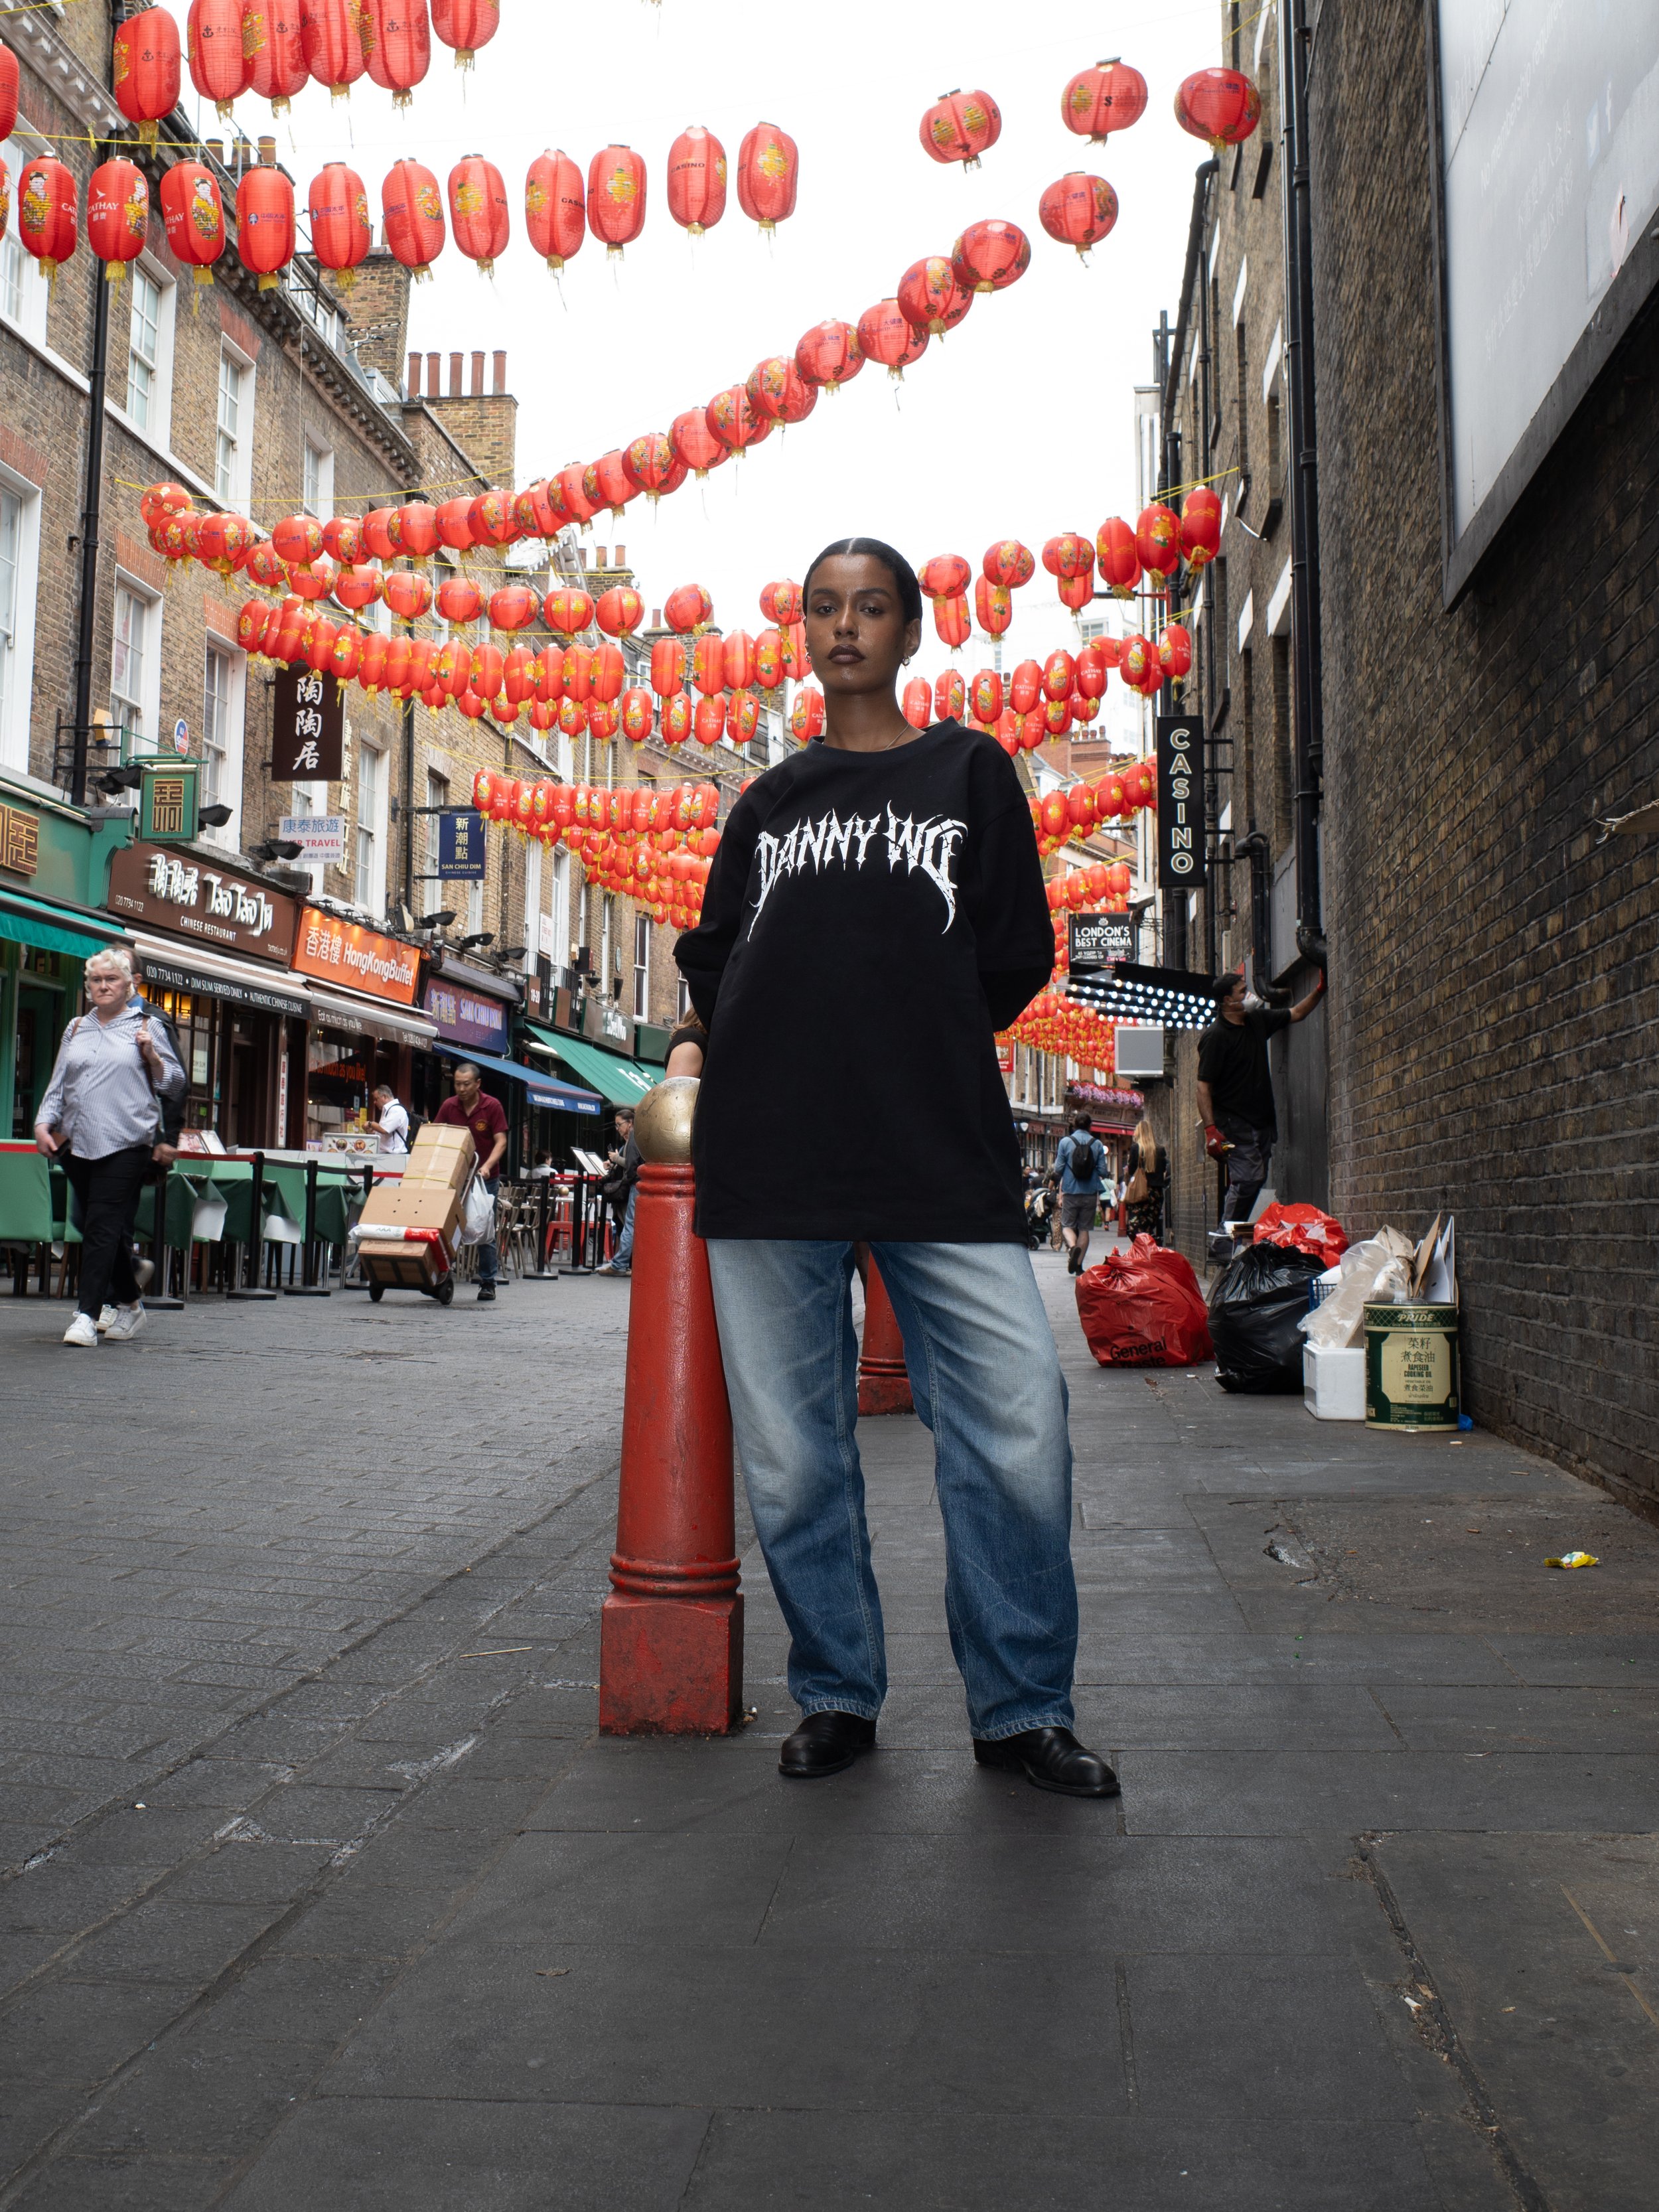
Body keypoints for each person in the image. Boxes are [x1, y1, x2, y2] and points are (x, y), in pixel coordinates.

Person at [676, 536, 1118, 1801]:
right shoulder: (766, 803)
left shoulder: (970, 767)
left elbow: (1012, 955)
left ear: (912, 632)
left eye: (872, 606)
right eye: (824, 607)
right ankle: (837, 1689)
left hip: (938, 1148)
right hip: (770, 1151)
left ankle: (1022, 1708)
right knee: (794, 1450)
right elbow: (716, 959)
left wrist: (906, 1024)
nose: (846, 625)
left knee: (1018, 1426)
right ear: (803, 633)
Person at [34, 946, 185, 1347]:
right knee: (101, 1227)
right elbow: (59, 1082)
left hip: (126, 1144)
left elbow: (174, 1085)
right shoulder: (76, 1028)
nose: (103, 986)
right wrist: (43, 1122)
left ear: (129, 984)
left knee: (100, 1226)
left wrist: (152, 1058)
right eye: (96, 981)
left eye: (111, 979)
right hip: (79, 1143)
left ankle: (86, 1315)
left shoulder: (147, 1025)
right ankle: (133, 1304)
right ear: (88, 987)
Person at [1196, 970, 1327, 1238]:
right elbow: (1203, 1087)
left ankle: (1233, 1233)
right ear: (1226, 1001)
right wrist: (1211, 1130)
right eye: (1242, 992)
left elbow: (1296, 1014)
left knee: (1256, 1176)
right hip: (1232, 1125)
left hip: (1263, 1121)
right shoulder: (1216, 1037)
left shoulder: (1257, 1020)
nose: (1250, 996)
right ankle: (1225, 1236)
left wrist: (1319, 990)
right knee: (1248, 1178)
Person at [435, 1063, 508, 1301]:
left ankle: (488, 1282)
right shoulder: (449, 1106)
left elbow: (501, 1141)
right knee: (447, 1227)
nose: (461, 1088)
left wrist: (486, 1166)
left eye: (466, 1084)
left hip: (484, 1179)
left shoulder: (492, 1106)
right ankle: (442, 1273)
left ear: (478, 1084)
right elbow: (437, 1134)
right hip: (455, 1178)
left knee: (483, 1228)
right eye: (457, 1083)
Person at [1054, 1110, 1106, 1276]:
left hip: (1070, 1190)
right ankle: (1078, 1267)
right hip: (1090, 1191)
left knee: (1067, 1225)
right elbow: (1103, 1171)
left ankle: (1072, 1247)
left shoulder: (1065, 1142)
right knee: (1084, 1229)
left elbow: (1058, 1169)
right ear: (1090, 1126)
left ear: (1074, 1125)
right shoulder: (1097, 1144)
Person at [596, 1108, 639, 1276]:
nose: (618, 1128)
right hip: (634, 1184)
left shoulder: (634, 1137)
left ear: (630, 1123)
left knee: (630, 1225)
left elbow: (631, 1163)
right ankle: (622, 1262)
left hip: (634, 1185)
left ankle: (619, 1264)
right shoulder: (634, 1138)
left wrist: (616, 1161)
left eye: (619, 1124)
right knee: (630, 1225)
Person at [1123, 1117, 1169, 1242]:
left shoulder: (1136, 1149)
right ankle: (1147, 1253)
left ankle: (1143, 1254)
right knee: (1149, 1228)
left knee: (1134, 1228)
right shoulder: (1160, 1150)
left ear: (1140, 1132)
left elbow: (1132, 1171)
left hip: (1140, 1192)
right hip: (1156, 1194)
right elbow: (1165, 1168)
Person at [372, 1083, 408, 1153]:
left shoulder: (396, 1110)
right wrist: (374, 1131)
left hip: (393, 1156)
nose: (375, 1102)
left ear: (384, 1097)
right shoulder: (388, 1110)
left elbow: (384, 1129)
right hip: (387, 1155)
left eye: (376, 1099)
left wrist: (371, 1124)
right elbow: (386, 1134)